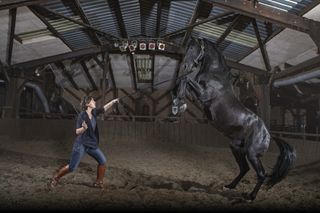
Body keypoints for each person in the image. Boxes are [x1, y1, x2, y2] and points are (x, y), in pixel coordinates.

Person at [48, 96, 119, 189]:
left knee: (102, 161)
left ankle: (98, 182)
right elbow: (77, 131)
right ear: (87, 104)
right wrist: (84, 128)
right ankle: (56, 178)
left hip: (91, 144)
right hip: (81, 145)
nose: (94, 101)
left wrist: (113, 101)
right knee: (72, 168)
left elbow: (103, 109)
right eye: (93, 100)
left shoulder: (93, 112)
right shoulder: (82, 115)